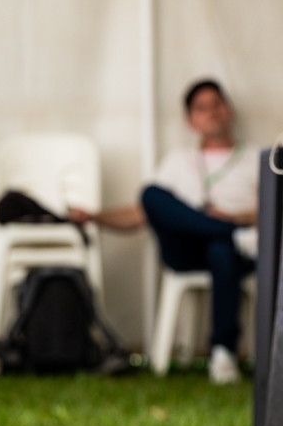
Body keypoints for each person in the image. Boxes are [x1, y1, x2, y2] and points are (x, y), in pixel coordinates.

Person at [71, 79, 257, 384]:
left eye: (217, 104)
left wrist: (237, 216)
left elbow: (270, 211)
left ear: (229, 110)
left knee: (221, 248)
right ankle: (227, 231)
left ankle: (223, 353)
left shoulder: (255, 159)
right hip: (191, 248)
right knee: (151, 194)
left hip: (239, 251)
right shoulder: (178, 161)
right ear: (190, 120)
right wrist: (96, 217)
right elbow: (143, 212)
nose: (212, 112)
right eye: (202, 108)